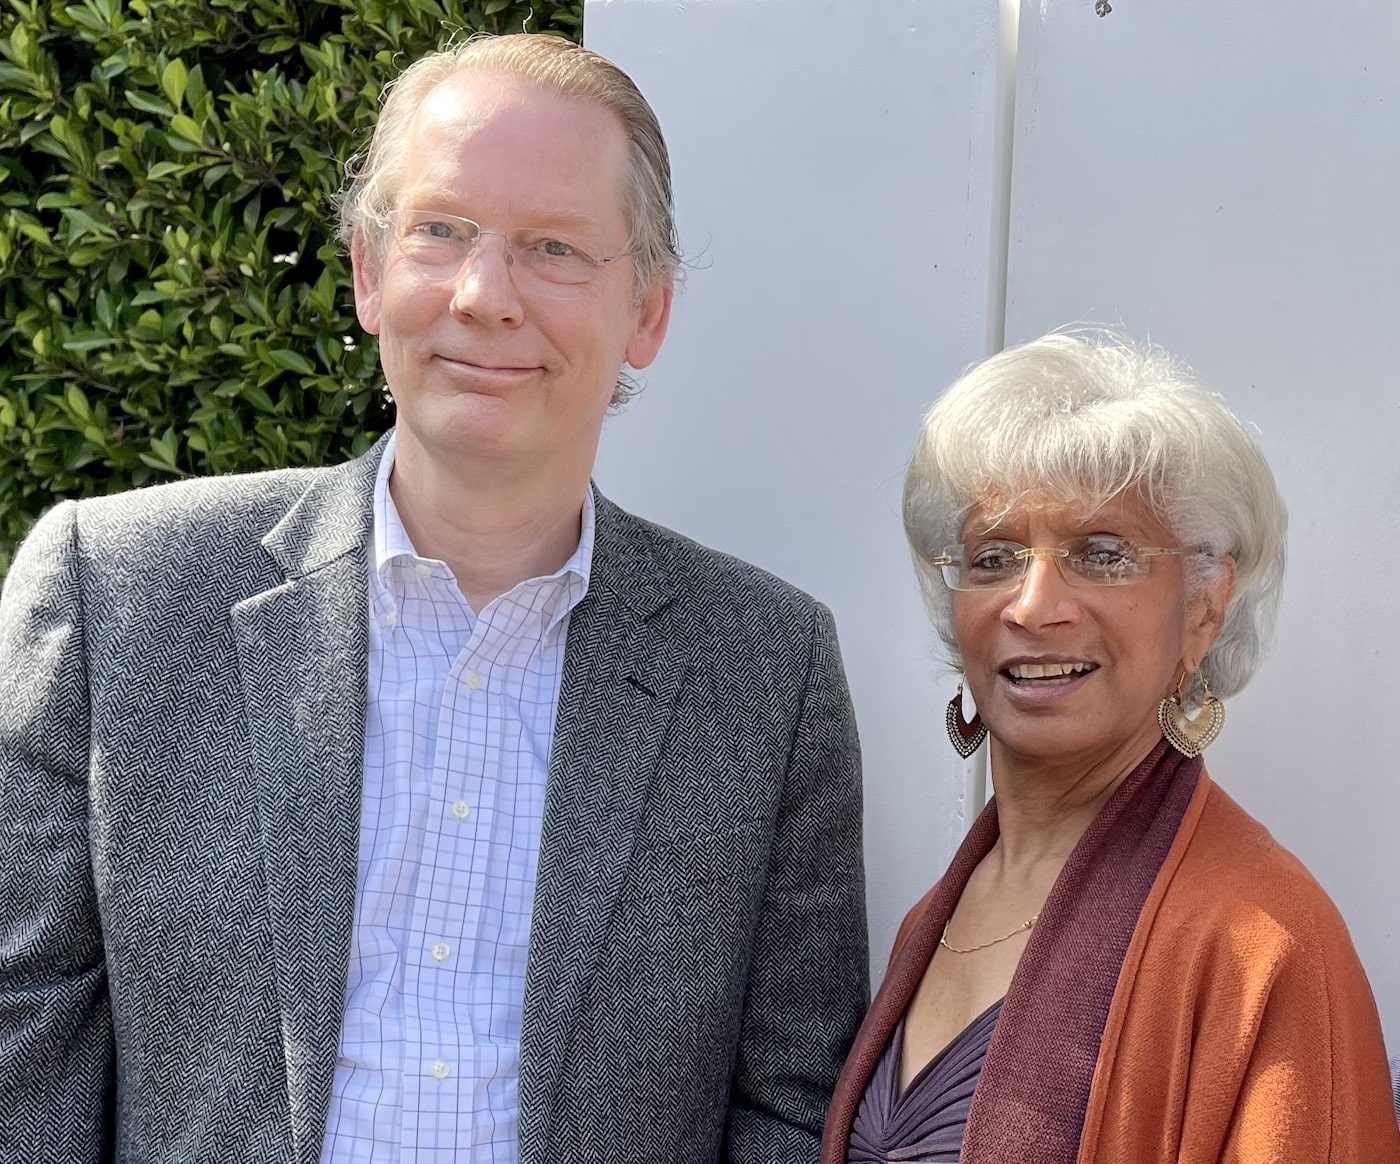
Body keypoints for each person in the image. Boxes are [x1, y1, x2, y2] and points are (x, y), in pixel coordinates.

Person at [0, 34, 869, 1163]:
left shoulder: (765, 671)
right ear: (369, 271)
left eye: (552, 247)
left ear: (646, 310)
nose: (482, 295)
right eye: (440, 231)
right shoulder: (116, 595)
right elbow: (22, 1042)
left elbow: (790, 1104)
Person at [821, 331, 1400, 1163]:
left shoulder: (1265, 944)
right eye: (994, 557)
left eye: (1101, 554)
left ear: (1203, 607)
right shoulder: (935, 914)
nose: (1033, 606)